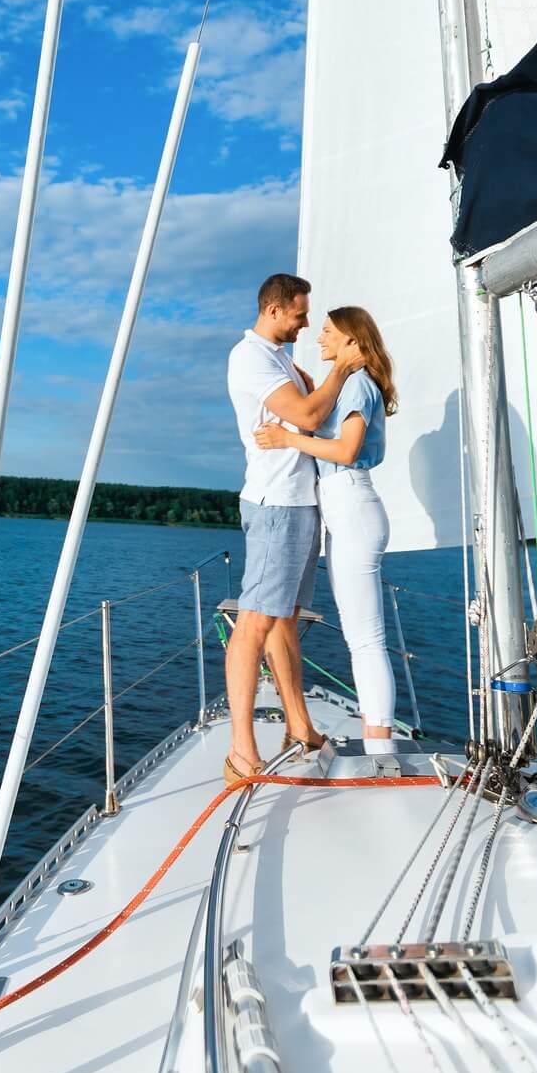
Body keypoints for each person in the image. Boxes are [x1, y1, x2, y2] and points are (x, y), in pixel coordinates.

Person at [223, 273, 364, 788]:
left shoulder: (279, 358)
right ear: (275, 309)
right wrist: (342, 367)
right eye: (300, 314)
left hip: (298, 503)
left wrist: (324, 379)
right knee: (254, 624)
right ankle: (241, 752)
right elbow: (307, 412)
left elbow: (308, 407)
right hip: (276, 504)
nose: (305, 324)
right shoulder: (251, 358)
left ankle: (299, 727)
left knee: (282, 620)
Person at [256, 305, 398, 742]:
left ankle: (379, 748)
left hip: (352, 504)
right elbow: (321, 414)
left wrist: (287, 438)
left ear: (352, 340)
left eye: (328, 332)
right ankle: (377, 741)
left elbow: (346, 451)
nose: (319, 338)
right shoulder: (351, 383)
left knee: (366, 640)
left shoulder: (357, 384)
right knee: (361, 638)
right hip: (345, 508)